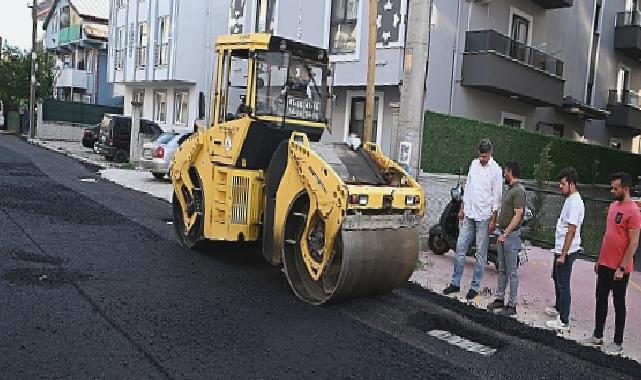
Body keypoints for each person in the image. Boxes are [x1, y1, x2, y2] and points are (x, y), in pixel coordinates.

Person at [581, 172, 640, 355]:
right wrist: (599, 260)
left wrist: (622, 267)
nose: (612, 191)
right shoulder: (613, 206)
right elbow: (608, 236)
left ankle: (617, 342)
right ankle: (597, 336)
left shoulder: (633, 212)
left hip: (620, 268)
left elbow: (634, 242)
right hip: (605, 264)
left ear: (626, 188)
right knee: (601, 300)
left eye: (616, 188)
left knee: (619, 304)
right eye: (611, 187)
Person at [443, 138, 503, 301]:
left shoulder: (496, 170)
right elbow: (468, 187)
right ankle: (455, 283)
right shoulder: (474, 164)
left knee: (480, 254)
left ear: (490, 153)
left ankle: (474, 287)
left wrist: (493, 220)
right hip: (469, 214)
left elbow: (497, 197)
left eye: (485, 156)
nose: (482, 159)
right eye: (480, 156)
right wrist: (462, 208)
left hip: (484, 217)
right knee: (460, 247)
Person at [545, 168, 585, 331]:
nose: (560, 186)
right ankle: (558, 307)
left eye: (563, 184)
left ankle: (563, 320)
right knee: (556, 277)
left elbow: (572, 229)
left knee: (563, 283)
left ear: (572, 183)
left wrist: (563, 254)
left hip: (567, 251)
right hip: (560, 248)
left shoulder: (575, 202)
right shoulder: (569, 199)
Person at [487, 161, 526, 316]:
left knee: (512, 271)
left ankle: (512, 305)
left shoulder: (519, 191)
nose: (504, 174)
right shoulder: (510, 189)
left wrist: (506, 233)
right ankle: (499, 299)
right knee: (502, 269)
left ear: (510, 172)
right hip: (503, 234)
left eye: (505, 171)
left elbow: (518, 214)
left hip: (510, 236)